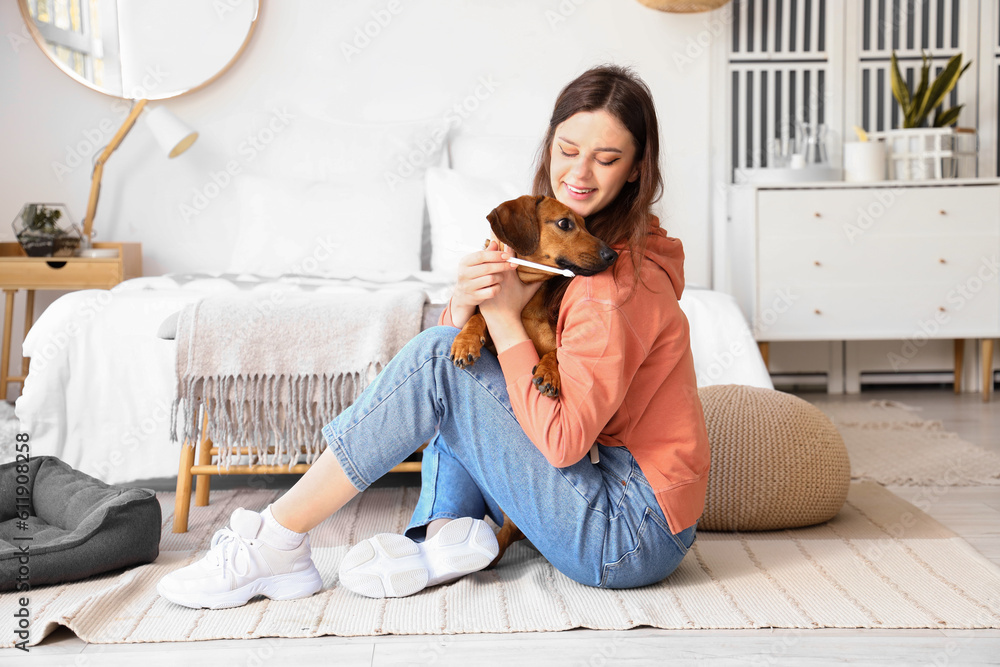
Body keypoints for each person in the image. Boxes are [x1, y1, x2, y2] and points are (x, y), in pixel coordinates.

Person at [156, 64, 711, 609]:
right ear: (548, 146)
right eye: (568, 149)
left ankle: (275, 539)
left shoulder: (614, 286)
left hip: (628, 534)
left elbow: (562, 440)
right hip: (614, 498)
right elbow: (454, 381)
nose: (581, 173)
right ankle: (443, 534)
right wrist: (469, 303)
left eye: (608, 158)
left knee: (437, 360)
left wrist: (501, 319)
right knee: (450, 359)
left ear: (637, 169)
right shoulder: (559, 256)